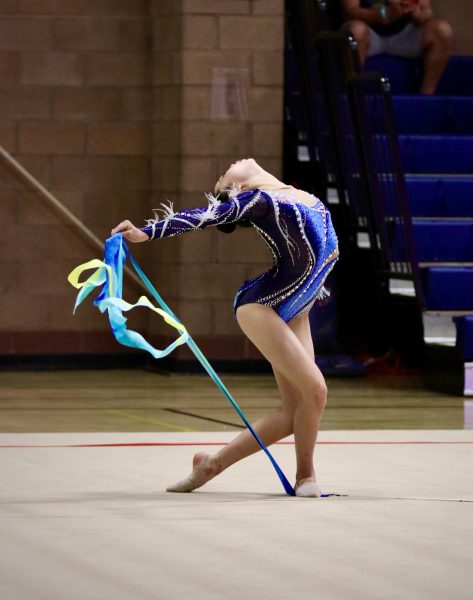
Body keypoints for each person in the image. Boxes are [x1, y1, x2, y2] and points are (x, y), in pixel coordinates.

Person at [111, 159, 339, 498]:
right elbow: (207, 216)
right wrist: (147, 232)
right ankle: (306, 477)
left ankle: (211, 465)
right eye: (222, 176)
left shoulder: (300, 195)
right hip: (263, 306)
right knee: (316, 391)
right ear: (236, 190)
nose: (229, 165)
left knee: (297, 409)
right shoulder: (258, 200)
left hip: (296, 310)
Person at [341, 0, 453, 94]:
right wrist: (384, 14)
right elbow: (351, 10)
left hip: (404, 35)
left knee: (442, 30)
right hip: (369, 34)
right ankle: (353, 95)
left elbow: (427, 11)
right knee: (355, 31)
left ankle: (426, 98)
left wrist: (418, 15)